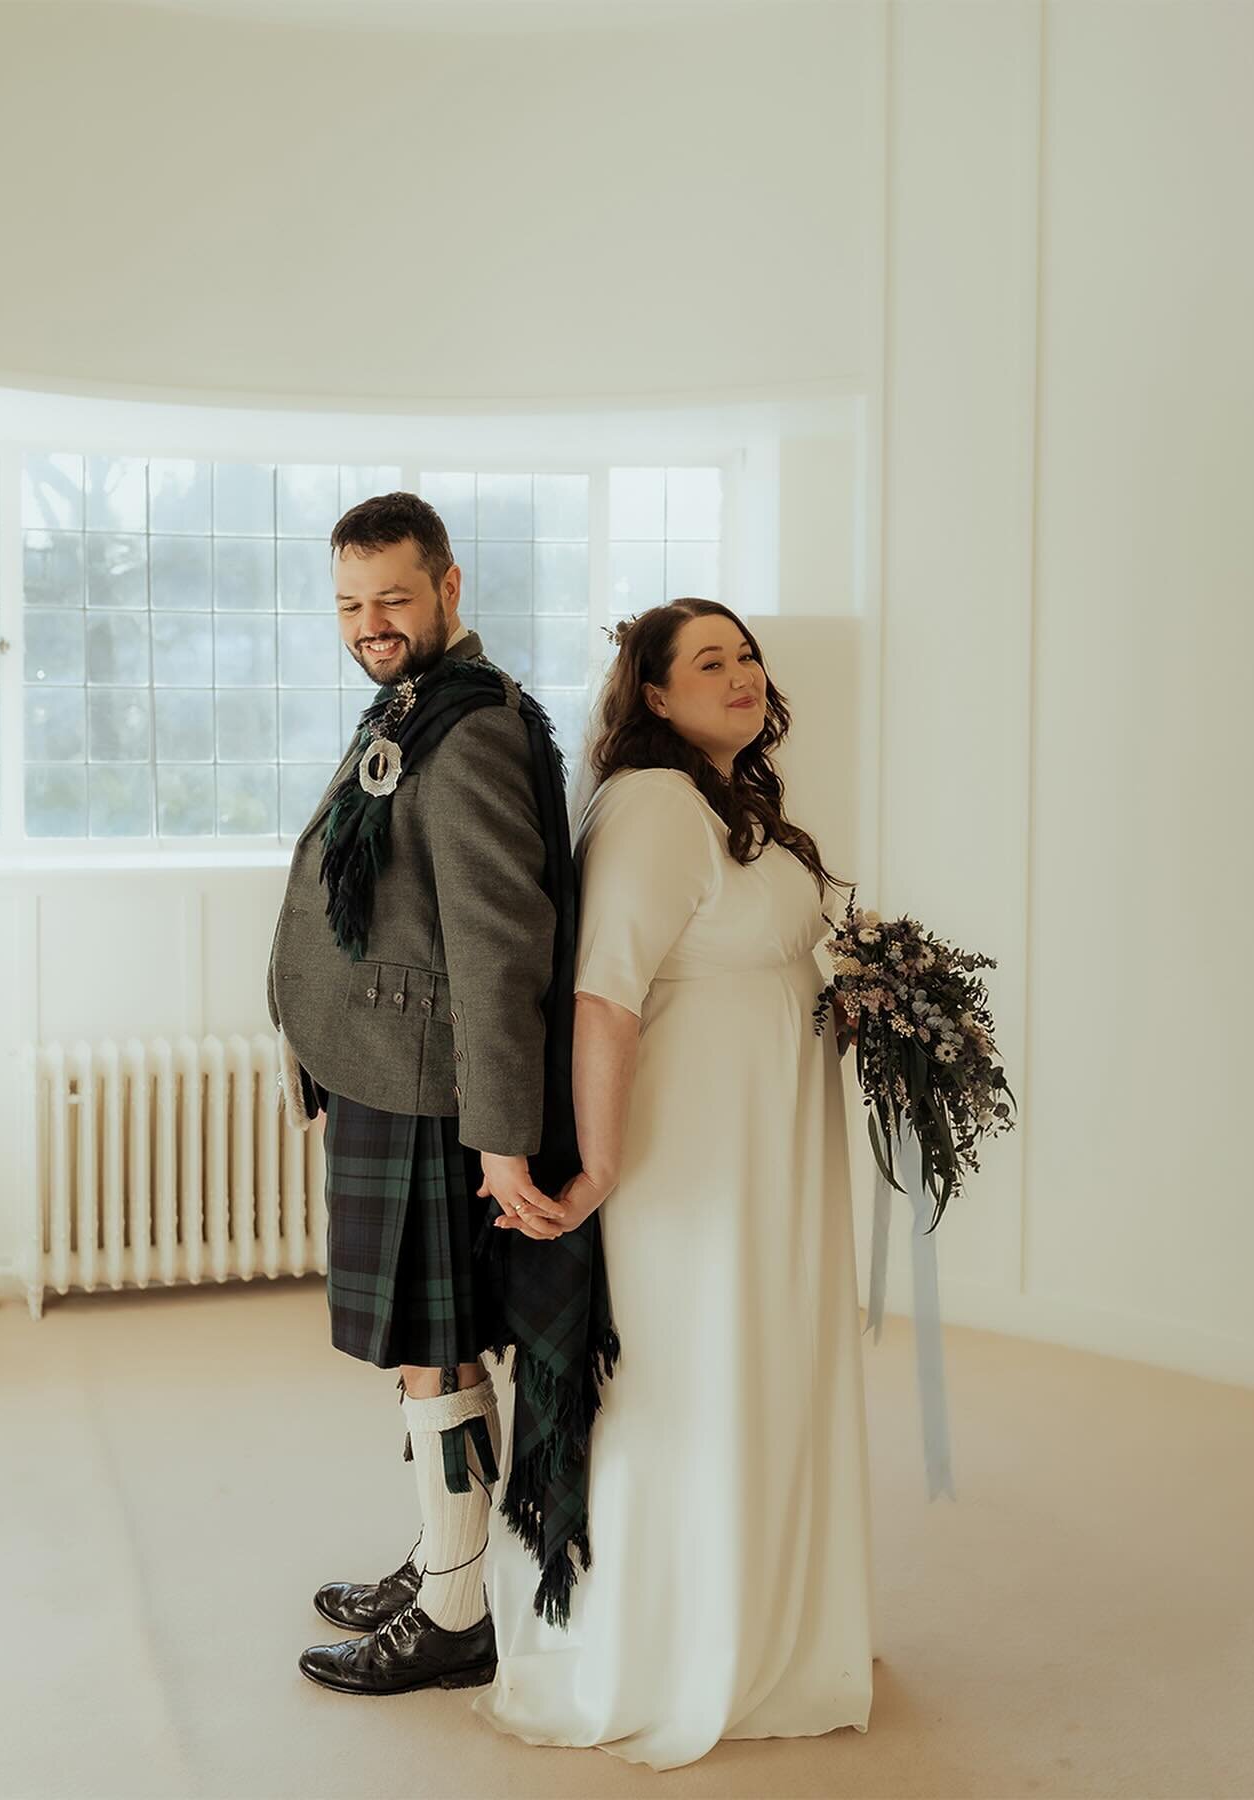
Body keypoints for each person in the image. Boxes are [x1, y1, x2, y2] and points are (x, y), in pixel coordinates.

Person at [471, 598, 874, 1770]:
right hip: (690, 1167)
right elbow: (606, 993)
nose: (742, 674)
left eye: (747, 655)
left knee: (765, 1368)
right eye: (710, 661)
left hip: (767, 1158)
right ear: (652, 693)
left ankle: (771, 1623)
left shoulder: (730, 800)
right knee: (695, 1382)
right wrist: (599, 1164)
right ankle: (666, 1649)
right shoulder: (653, 806)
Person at [265, 491, 614, 1697]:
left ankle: (461, 1612)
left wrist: (505, 1139)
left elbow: (497, 940)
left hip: (430, 1092)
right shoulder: (411, 709)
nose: (370, 622)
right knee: (431, 1346)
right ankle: (444, 1558)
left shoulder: (465, 729)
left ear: (451, 586)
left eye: (393, 597)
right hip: (385, 1074)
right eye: (351, 602)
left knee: (433, 1349)